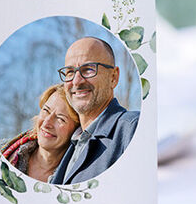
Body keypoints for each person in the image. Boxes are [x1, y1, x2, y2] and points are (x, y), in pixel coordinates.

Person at [51, 36, 140, 184]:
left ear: (113, 77)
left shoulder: (131, 129)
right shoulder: (70, 144)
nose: (76, 81)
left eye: (88, 69)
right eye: (70, 72)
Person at [1, 84, 80, 183]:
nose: (47, 123)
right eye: (46, 110)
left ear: (76, 131)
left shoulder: (77, 177)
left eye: (60, 118)